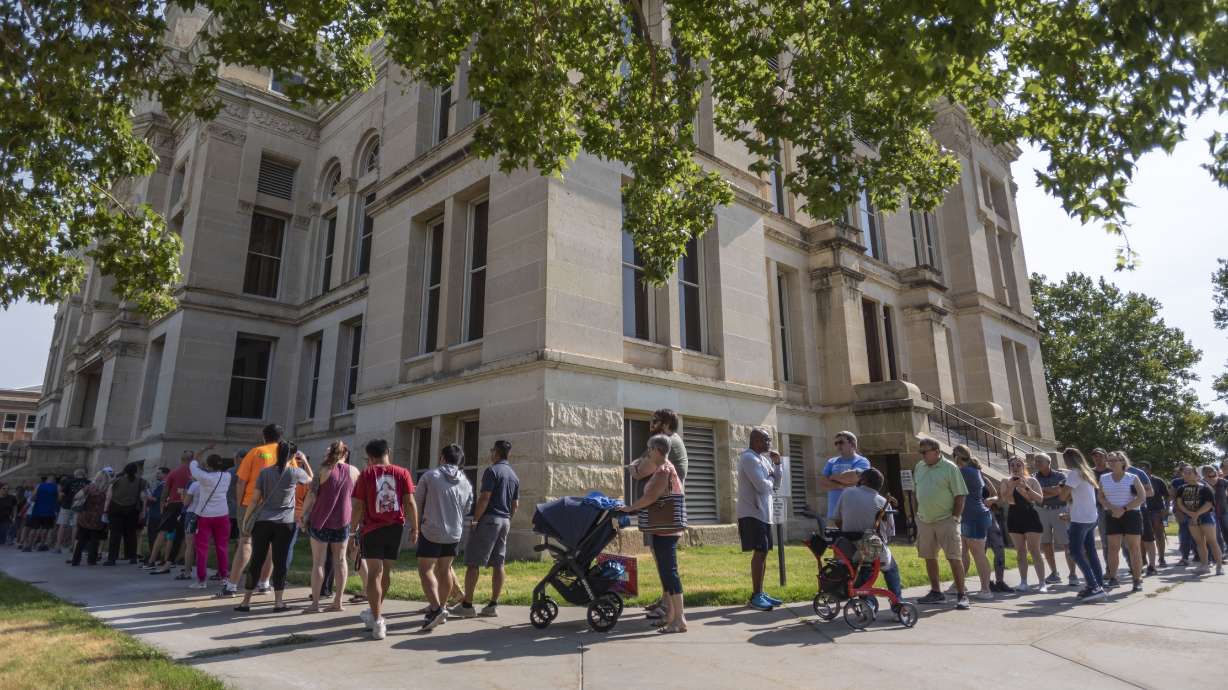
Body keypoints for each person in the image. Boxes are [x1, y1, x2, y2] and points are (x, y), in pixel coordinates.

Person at [620, 434, 688, 633]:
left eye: (650, 449)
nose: (648, 453)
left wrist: (630, 508)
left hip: (666, 529)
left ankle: (680, 619)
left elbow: (650, 497)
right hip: (662, 528)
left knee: (670, 572)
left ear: (657, 450)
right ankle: (671, 617)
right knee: (667, 573)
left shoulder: (664, 470)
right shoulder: (662, 469)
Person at [234, 440, 311, 612]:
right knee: (280, 561)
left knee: (256, 560)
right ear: (293, 456)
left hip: (262, 521)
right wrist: (304, 461)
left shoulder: (264, 472)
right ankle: (278, 602)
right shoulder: (295, 472)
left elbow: (254, 500)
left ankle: (246, 601)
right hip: (285, 523)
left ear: (277, 453)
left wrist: (246, 520)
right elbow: (311, 480)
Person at [353, 438, 418, 640]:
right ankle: (375, 612)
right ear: (387, 451)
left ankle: (378, 620)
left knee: (374, 572)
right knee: (386, 571)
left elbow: (357, 506)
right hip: (395, 528)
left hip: (372, 528)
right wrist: (415, 527)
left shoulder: (366, 474)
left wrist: (350, 529)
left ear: (370, 457)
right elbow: (410, 502)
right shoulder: (403, 473)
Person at [457, 440, 520, 619]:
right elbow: (515, 504)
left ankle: (467, 605)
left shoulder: (492, 471)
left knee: (473, 562)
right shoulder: (513, 475)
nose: (491, 453)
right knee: (498, 563)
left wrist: (475, 520)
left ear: (496, 453)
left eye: (492, 450)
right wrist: (508, 518)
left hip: (489, 519)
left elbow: (485, 497)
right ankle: (492, 604)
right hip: (505, 520)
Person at [415, 443, 474, 632]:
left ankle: (436, 608)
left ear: (442, 457)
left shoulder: (430, 476)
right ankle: (442, 607)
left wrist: (415, 526)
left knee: (426, 570)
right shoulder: (465, 482)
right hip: (454, 532)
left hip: (431, 530)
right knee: (445, 569)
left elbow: (417, 502)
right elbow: (467, 509)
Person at [220, 425, 281, 597]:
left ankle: (231, 586)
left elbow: (241, 481)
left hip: (250, 504)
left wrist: (240, 503)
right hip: (275, 506)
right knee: (270, 546)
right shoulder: (286, 454)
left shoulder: (255, 452)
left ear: (263, 436)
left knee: (245, 542)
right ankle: (264, 584)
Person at [300, 440, 359, 613]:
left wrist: (303, 516)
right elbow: (357, 498)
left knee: (318, 562)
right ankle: (338, 602)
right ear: (345, 454)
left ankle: (315, 604)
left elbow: (311, 496)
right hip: (343, 521)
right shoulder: (355, 471)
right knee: (340, 561)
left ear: (330, 453)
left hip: (320, 521)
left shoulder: (323, 470)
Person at [834, 468, 905, 607]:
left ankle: (868, 602)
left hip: (847, 545)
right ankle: (898, 602)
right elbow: (889, 534)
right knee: (891, 568)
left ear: (863, 481)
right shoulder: (883, 502)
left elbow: (837, 520)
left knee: (865, 565)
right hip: (872, 547)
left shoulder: (847, 492)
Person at [914, 438, 970, 609]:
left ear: (937, 451)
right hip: (925, 520)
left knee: (954, 557)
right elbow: (918, 491)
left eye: (925, 452)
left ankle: (962, 595)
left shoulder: (950, 468)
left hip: (946, 519)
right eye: (920, 452)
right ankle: (936, 592)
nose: (922, 455)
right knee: (929, 557)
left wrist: (955, 518)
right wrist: (917, 514)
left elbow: (960, 495)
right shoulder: (919, 467)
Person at [737, 428, 783, 611]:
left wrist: (777, 465)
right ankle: (755, 596)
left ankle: (761, 592)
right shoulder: (748, 458)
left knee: (764, 552)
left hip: (765, 513)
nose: (769, 444)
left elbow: (776, 483)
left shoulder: (764, 459)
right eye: (766, 440)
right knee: (759, 551)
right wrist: (770, 478)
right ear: (756, 440)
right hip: (752, 513)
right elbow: (762, 487)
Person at [1057, 448, 1107, 601]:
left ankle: (1093, 586)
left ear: (1068, 460)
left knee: (1075, 552)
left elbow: (1063, 496)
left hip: (1080, 519)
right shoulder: (1087, 473)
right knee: (1091, 552)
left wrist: (1062, 490)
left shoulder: (1074, 473)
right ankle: (1098, 584)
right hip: (1091, 517)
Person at [150, 449, 204, 574]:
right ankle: (182, 563)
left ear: (181, 459)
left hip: (176, 506)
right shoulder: (198, 474)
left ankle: (155, 561)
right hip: (193, 509)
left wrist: (162, 505)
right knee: (185, 537)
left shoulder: (174, 473)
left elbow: (165, 491)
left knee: (166, 534)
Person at [1099, 451, 1146, 591]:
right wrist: (1113, 509)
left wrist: (1123, 509)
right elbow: (1100, 497)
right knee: (1113, 548)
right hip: (1112, 515)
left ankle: (1137, 579)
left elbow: (1141, 497)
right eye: (1110, 460)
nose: (1112, 463)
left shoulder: (1133, 477)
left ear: (1123, 462)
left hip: (1131, 514)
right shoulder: (1104, 478)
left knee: (1134, 548)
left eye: (1115, 460)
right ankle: (1113, 577)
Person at [953, 445, 995, 600]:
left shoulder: (964, 472)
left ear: (957, 456)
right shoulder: (973, 470)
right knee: (963, 552)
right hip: (973, 516)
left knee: (978, 554)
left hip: (974, 517)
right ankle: (959, 584)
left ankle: (986, 590)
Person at [1003, 457, 1049, 593]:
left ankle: (1042, 583)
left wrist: (1025, 488)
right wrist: (1011, 487)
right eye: (1012, 465)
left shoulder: (1032, 480)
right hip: (1014, 517)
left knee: (1034, 550)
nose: (1015, 467)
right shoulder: (1005, 481)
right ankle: (1023, 582)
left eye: (1018, 464)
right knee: (1020, 552)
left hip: (1030, 516)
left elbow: (1040, 499)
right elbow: (1008, 500)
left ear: (1024, 466)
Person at [1033, 455, 1077, 587]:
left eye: (1040, 461)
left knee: (1067, 543)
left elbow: (1060, 490)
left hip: (1060, 511)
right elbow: (1033, 492)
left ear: (1049, 462)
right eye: (1036, 461)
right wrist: (1051, 491)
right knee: (1046, 543)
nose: (1037, 463)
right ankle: (1054, 573)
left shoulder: (1060, 476)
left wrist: (1042, 491)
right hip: (1041, 511)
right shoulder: (1034, 477)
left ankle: (1073, 574)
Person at [189, 454, 232, 588]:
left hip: (204, 515)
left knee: (202, 548)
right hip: (222, 514)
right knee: (222, 547)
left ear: (208, 466)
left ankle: (201, 581)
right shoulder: (227, 476)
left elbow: (192, 465)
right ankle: (224, 577)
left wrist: (200, 454)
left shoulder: (203, 477)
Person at [1175, 466, 1223, 575]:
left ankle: (1219, 567)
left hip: (1206, 517)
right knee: (1199, 542)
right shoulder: (1181, 488)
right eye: (1185, 472)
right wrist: (1191, 514)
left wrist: (1196, 514)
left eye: (1189, 472)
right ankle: (1204, 565)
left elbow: (1209, 504)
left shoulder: (1205, 488)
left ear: (1197, 475)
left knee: (1212, 541)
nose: (1185, 474)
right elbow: (1180, 503)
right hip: (1191, 518)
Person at [818, 430, 870, 523]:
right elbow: (822, 482)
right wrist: (842, 485)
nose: (838, 445)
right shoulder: (831, 461)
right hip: (834, 512)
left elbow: (853, 477)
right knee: (834, 537)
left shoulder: (862, 461)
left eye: (841, 442)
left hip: (854, 510)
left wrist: (833, 477)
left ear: (852, 444)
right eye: (836, 443)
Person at [104, 463, 148, 565]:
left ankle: (112, 558)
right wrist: (143, 511)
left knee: (115, 534)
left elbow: (109, 496)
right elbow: (143, 497)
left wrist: (105, 509)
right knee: (131, 534)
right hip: (132, 509)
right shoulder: (141, 481)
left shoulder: (116, 480)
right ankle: (132, 556)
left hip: (116, 508)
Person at [70, 470, 112, 566]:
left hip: (85, 516)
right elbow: (108, 502)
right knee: (95, 540)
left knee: (81, 540)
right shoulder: (106, 490)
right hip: (97, 517)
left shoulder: (89, 487)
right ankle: (91, 560)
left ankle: (75, 560)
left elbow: (77, 496)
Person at [1139, 462, 1170, 568]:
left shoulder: (1158, 481)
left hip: (1157, 511)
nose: (1142, 471)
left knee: (1159, 536)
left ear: (1149, 470)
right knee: (1142, 537)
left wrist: (1166, 509)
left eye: (1144, 469)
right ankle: (1143, 559)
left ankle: (1161, 558)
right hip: (1142, 511)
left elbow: (1167, 496)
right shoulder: (1136, 481)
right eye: (1140, 469)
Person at [55, 469, 89, 553]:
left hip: (66, 505)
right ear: (84, 475)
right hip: (79, 507)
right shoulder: (88, 483)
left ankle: (58, 546)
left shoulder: (69, 482)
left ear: (75, 475)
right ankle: (72, 546)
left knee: (62, 525)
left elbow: (62, 494)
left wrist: (60, 501)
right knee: (75, 526)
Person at [23, 475, 59, 552]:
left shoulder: (39, 486)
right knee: (45, 529)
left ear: (46, 480)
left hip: (37, 510)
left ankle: (29, 545)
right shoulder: (56, 487)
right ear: (54, 481)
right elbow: (58, 499)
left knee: (34, 528)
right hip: (49, 511)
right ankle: (42, 545)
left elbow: (32, 497)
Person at [141, 467, 169, 564]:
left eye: (159, 473)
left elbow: (156, 499)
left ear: (165, 474)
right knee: (155, 536)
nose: (157, 475)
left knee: (153, 536)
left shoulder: (163, 485)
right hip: (157, 513)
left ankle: (154, 555)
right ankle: (156, 554)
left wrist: (146, 496)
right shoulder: (162, 485)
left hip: (156, 514)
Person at [1171, 463, 1196, 566]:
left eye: (1189, 471)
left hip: (1196, 513)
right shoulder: (1176, 482)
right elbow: (1173, 497)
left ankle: (1200, 555)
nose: (1186, 473)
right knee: (1184, 535)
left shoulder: (1198, 481)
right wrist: (1177, 511)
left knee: (1198, 536)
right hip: (1182, 512)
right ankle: (1185, 557)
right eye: (1183, 471)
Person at [1203, 465, 1228, 555]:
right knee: (1215, 536)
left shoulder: (1224, 482)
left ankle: (1222, 554)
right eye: (1209, 476)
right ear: (1204, 476)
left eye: (1214, 475)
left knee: (1226, 531)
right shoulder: (1202, 485)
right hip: (1209, 513)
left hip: (1223, 511)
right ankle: (1217, 556)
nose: (1212, 478)